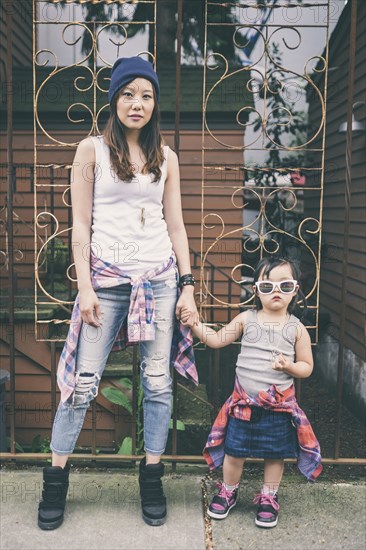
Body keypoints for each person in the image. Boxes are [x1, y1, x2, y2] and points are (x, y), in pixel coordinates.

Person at [38, 56, 199, 530]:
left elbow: (176, 225)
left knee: (156, 382)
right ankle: (55, 481)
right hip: (105, 285)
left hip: (160, 280)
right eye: (128, 93)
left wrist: (186, 287)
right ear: (114, 99)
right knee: (82, 384)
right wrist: (84, 286)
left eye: (146, 95)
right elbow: (80, 224)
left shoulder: (165, 157)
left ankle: (151, 478)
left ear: (155, 103)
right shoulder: (91, 151)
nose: (137, 103)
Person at [180, 256, 322, 528]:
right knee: (234, 452)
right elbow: (217, 339)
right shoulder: (247, 319)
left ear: (295, 289)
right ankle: (229, 490)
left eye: (285, 285)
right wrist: (195, 323)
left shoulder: (296, 328)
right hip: (243, 404)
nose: (276, 291)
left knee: (275, 454)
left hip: (278, 408)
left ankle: (268, 497)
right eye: (267, 287)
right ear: (256, 290)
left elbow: (307, 367)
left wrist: (290, 366)